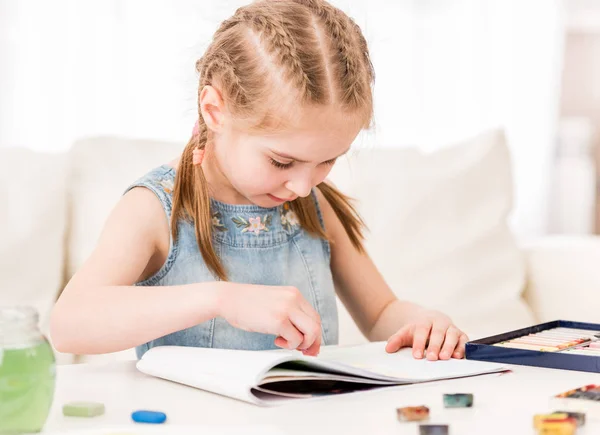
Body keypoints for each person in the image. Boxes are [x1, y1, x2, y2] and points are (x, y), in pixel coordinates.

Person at [50, 0, 468, 361]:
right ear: (215, 110)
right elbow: (70, 324)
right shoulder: (154, 209)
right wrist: (221, 299)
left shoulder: (314, 207)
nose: (304, 187)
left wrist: (424, 324)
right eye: (282, 161)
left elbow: (381, 314)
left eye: (327, 160)